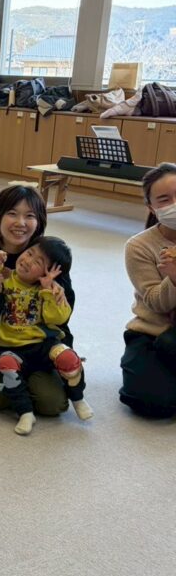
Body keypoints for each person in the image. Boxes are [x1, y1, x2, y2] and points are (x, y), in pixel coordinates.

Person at [0, 184, 74, 416]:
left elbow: (63, 316)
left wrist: (64, 351)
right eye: (12, 213)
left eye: (29, 216)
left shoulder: (50, 253)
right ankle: (16, 379)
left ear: (39, 221)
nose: (20, 223)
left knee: (52, 404)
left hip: (39, 342)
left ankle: (26, 378)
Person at [0, 237, 92, 435]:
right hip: (9, 346)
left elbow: (58, 318)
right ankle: (25, 412)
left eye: (38, 262)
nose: (28, 261)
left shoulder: (52, 290)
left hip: (41, 344)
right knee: (6, 366)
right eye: (29, 253)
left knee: (67, 357)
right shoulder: (5, 276)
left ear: (50, 272)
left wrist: (47, 291)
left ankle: (78, 398)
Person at [120, 162, 176, 418]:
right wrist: (173, 278)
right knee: (148, 401)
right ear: (152, 207)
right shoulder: (139, 246)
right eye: (164, 199)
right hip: (153, 332)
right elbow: (156, 302)